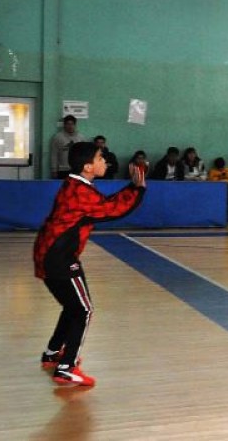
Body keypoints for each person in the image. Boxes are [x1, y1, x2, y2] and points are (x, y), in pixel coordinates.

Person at [34, 141, 146, 386]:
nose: (104, 162)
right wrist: (137, 189)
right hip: (60, 258)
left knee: (72, 307)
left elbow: (105, 204)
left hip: (50, 254)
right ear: (87, 166)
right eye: (99, 158)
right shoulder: (80, 192)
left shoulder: (76, 185)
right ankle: (66, 368)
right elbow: (112, 209)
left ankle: (53, 354)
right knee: (84, 310)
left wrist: (132, 188)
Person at [50, 115, 85, 179]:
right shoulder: (57, 137)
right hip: (62, 170)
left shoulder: (80, 138)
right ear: (64, 125)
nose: (70, 126)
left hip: (77, 170)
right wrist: (54, 170)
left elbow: (84, 155)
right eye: (68, 124)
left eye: (72, 124)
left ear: (75, 125)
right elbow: (54, 155)